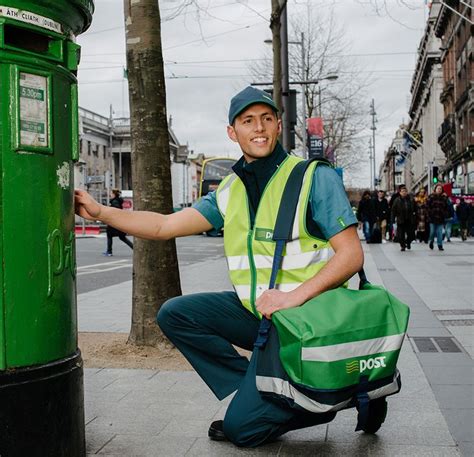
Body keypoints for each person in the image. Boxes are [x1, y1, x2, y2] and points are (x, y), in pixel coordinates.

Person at [75, 87, 384, 448]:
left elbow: (351, 256)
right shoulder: (229, 189)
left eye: (267, 119)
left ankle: (321, 398)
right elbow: (163, 226)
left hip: (308, 321)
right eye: (248, 120)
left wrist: (292, 298)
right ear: (232, 132)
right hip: (261, 315)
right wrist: (101, 212)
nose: (259, 128)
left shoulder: (314, 177)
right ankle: (273, 394)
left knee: (242, 431)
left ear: (279, 125)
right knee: (176, 313)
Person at [103, 189, 134, 256]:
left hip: (114, 222)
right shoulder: (117, 201)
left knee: (109, 235)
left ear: (114, 194)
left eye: (111, 193)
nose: (110, 195)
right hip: (119, 221)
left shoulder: (114, 202)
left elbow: (115, 211)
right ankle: (134, 248)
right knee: (122, 237)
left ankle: (109, 251)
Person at [391, 186, 416, 251]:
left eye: (405, 191)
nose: (404, 193)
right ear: (400, 193)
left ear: (407, 192)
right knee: (400, 235)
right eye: (402, 191)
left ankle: (408, 242)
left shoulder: (411, 199)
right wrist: (393, 219)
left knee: (410, 233)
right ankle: (402, 245)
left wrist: (415, 216)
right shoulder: (397, 200)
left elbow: (415, 208)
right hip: (401, 219)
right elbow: (393, 210)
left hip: (409, 219)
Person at [427, 183, 448, 251]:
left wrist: (445, 214)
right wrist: (429, 215)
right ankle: (431, 241)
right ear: (435, 189)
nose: (439, 190)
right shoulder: (431, 197)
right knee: (432, 232)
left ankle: (440, 245)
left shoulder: (444, 198)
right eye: (438, 188)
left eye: (440, 189)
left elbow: (446, 207)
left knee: (440, 233)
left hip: (440, 218)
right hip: (432, 218)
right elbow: (427, 206)